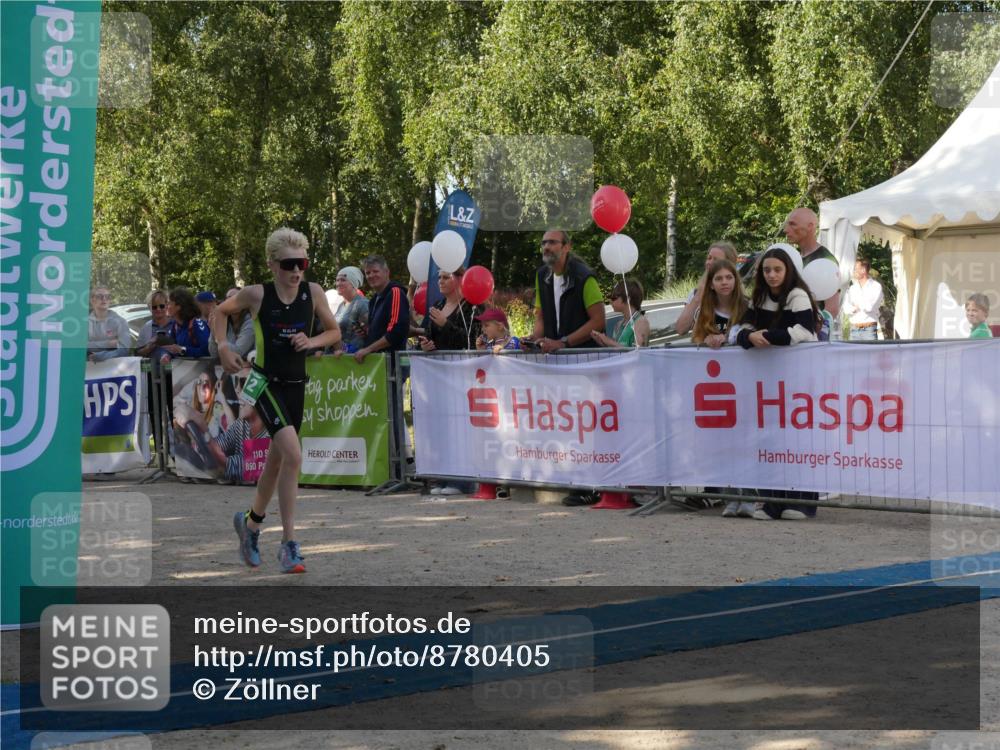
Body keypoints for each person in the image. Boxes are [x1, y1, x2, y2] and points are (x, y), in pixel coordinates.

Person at [214, 227, 342, 574]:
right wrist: (224, 347)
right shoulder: (256, 295)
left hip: (296, 385)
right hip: (264, 382)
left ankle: (250, 525)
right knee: (294, 455)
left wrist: (312, 342)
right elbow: (219, 313)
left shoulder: (313, 292)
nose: (296, 270)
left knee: (276, 462)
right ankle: (289, 545)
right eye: (288, 264)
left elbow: (335, 332)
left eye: (302, 263)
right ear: (272, 265)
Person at [737, 246, 821, 521]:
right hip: (769, 380)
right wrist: (750, 337)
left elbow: (804, 331)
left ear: (787, 271)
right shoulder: (759, 297)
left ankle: (804, 502)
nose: (772, 275)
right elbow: (741, 329)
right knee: (771, 439)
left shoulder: (797, 296)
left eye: (777, 270)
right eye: (767, 270)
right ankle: (773, 501)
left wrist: (768, 336)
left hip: (799, 378)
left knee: (799, 439)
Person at [530, 230, 605, 353]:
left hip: (585, 357)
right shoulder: (541, 276)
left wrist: (563, 342)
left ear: (566, 247)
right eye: (544, 243)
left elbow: (599, 321)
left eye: (552, 242)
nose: (546, 247)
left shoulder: (584, 277)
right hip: (555, 358)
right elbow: (540, 316)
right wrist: (535, 340)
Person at [783, 207, 841, 317]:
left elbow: (831, 309)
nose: (786, 230)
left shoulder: (825, 260)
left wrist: (812, 331)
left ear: (810, 227)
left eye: (792, 224)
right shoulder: (795, 258)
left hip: (809, 331)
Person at [353, 255, 410, 363]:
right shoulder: (373, 300)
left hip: (392, 365)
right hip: (377, 365)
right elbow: (380, 332)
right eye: (368, 273)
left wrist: (368, 349)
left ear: (387, 272)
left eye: (375, 271)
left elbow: (396, 332)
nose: (371, 275)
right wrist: (366, 333)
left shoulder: (395, 292)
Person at [674, 242, 740, 336]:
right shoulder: (695, 293)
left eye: (716, 260)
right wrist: (698, 296)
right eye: (709, 258)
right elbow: (681, 329)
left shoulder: (741, 299)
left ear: (729, 264)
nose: (710, 262)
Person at [418, 267, 482, 353]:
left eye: (446, 277)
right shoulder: (438, 305)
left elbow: (473, 340)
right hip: (436, 364)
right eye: (439, 277)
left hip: (461, 364)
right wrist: (424, 345)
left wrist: (445, 324)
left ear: (460, 279)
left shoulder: (471, 306)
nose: (440, 281)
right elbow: (428, 334)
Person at [691, 259, 749, 349]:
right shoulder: (703, 310)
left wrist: (726, 338)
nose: (724, 282)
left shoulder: (749, 306)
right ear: (711, 285)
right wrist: (706, 341)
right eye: (718, 279)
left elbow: (756, 335)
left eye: (729, 277)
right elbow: (695, 340)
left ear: (736, 281)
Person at [591, 279, 650, 347]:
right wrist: (603, 342)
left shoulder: (641, 322)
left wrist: (608, 341)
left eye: (614, 298)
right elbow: (617, 350)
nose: (610, 301)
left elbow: (637, 351)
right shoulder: (619, 324)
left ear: (628, 299)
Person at [160, 287, 211, 364]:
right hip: (183, 372)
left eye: (169, 303)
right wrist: (167, 355)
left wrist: (183, 350)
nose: (166, 306)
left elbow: (207, 351)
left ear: (178, 307)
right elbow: (171, 347)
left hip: (201, 372)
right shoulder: (175, 325)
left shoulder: (196, 323)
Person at [87, 285, 131, 362]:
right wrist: (108, 344)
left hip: (115, 370)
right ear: (92, 300)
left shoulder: (121, 322)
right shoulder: (84, 323)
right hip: (89, 370)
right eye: (100, 296)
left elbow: (125, 350)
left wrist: (102, 356)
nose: (104, 299)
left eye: (107, 296)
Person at [209, 287, 255, 360]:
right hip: (228, 367)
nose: (233, 301)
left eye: (237, 297)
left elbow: (238, 352)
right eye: (229, 298)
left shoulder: (251, 322)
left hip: (247, 368)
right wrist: (213, 331)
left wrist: (217, 335)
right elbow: (214, 354)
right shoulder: (224, 320)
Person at [843, 258, 884, 340]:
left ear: (863, 270)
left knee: (870, 352)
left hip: (869, 327)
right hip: (854, 328)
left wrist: (857, 305)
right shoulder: (852, 288)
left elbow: (870, 307)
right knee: (855, 352)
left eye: (855, 269)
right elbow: (846, 308)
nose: (853, 271)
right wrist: (856, 307)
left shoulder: (876, 286)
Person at [332, 266, 369, 353]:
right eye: (337, 280)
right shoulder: (341, 305)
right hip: (339, 358)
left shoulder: (362, 304)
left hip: (356, 360)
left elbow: (371, 335)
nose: (338, 283)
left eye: (343, 280)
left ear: (354, 283)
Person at [135, 289, 172, 358]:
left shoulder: (175, 324)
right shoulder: (146, 328)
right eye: (154, 307)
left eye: (161, 306)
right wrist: (148, 348)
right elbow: (137, 354)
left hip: (175, 366)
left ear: (167, 305)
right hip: (152, 367)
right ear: (149, 308)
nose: (158, 309)